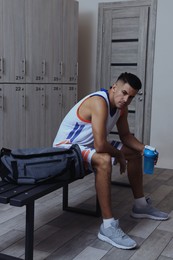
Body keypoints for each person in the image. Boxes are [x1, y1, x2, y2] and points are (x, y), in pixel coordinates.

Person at [53, 72, 168, 250]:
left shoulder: (122, 108)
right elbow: (100, 146)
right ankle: (108, 226)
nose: (126, 99)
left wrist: (145, 148)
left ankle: (140, 205)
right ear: (114, 87)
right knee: (104, 159)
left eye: (131, 97)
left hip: (89, 144)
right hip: (67, 148)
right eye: (123, 92)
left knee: (134, 152)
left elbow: (126, 136)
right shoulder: (99, 102)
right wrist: (119, 156)